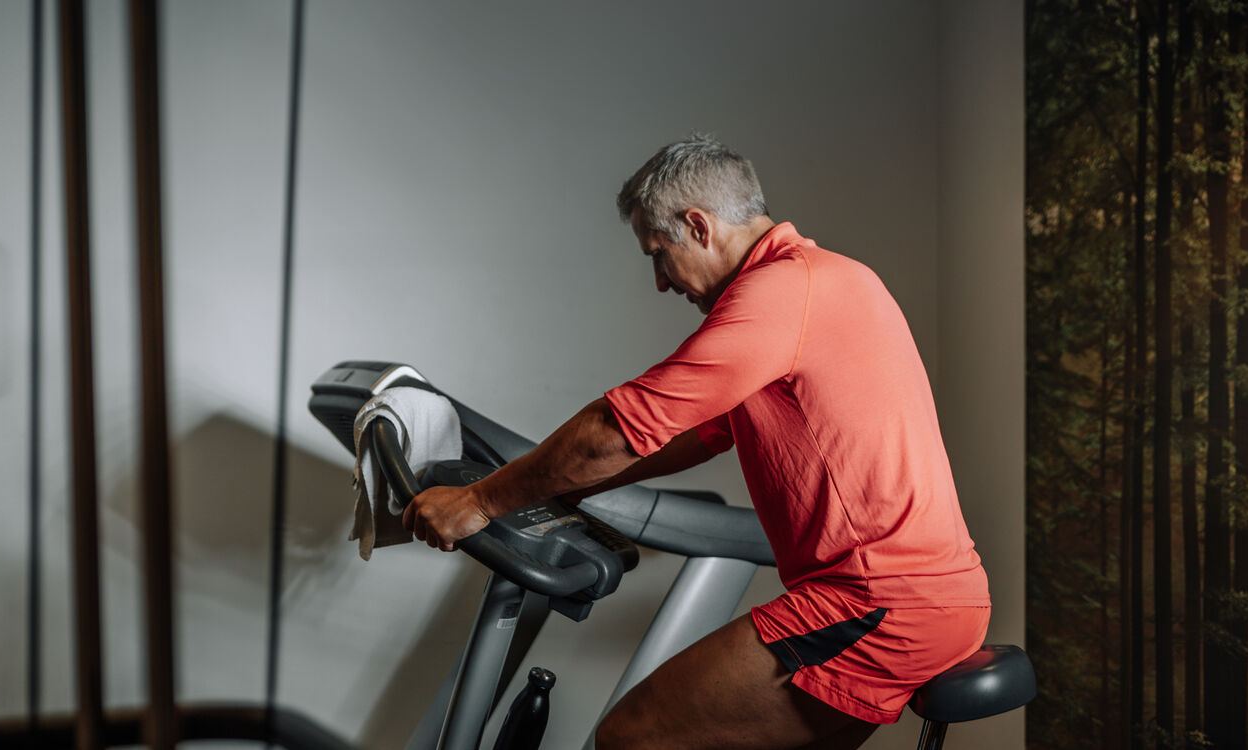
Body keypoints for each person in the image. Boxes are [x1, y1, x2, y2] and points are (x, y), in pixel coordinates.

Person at [402, 135, 991, 750]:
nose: (661, 281)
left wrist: (480, 502)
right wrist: (550, 489)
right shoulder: (818, 282)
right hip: (917, 600)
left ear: (698, 226)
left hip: (878, 604)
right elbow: (684, 436)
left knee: (636, 736)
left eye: (660, 254)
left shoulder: (784, 291)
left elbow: (618, 429)